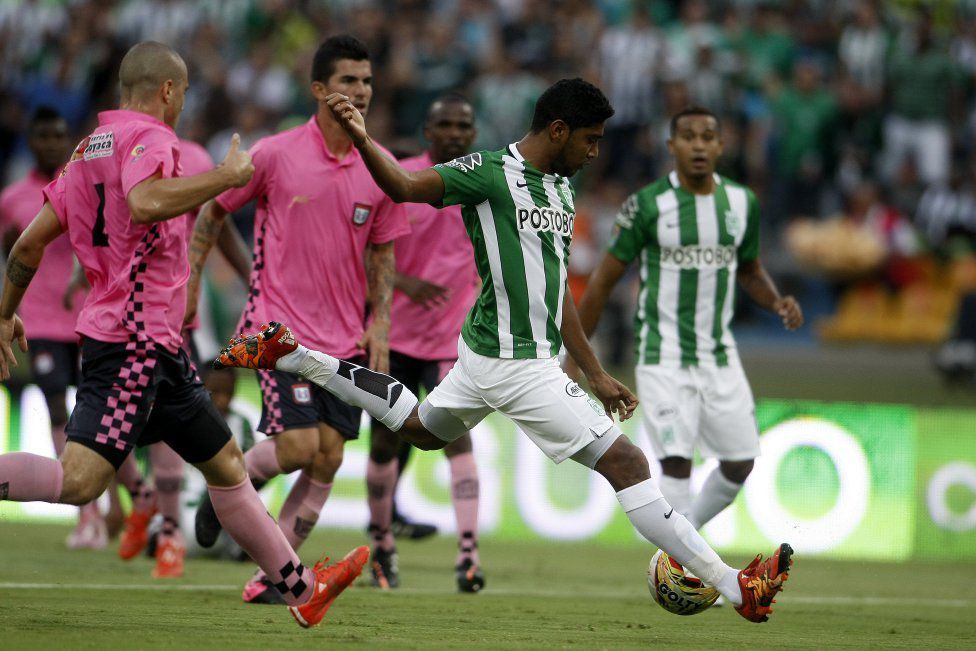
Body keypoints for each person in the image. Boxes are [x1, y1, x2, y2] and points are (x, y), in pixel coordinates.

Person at [217, 79, 794, 623]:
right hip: (516, 365)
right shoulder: (490, 172)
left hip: (484, 358)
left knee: (420, 427)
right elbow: (403, 188)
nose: (596, 153)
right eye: (590, 140)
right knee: (629, 465)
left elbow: (555, 286)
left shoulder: (564, 190)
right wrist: (364, 138)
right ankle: (736, 588)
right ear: (560, 130)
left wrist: (593, 371)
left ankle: (296, 356)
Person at [0, 41, 366, 629]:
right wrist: (223, 176)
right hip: (134, 342)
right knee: (81, 480)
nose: (184, 101)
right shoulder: (155, 140)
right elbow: (145, 204)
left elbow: (27, 245)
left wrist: (2, 311)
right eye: (185, 91)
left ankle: (301, 591)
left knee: (226, 466)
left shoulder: (86, 150)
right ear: (168, 90)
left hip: (155, 346)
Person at [186, 35, 409, 606]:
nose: (359, 91)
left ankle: (271, 580)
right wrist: (190, 285)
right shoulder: (275, 154)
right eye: (346, 81)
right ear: (318, 89)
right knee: (298, 448)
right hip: (275, 330)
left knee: (330, 456)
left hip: (343, 338)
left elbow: (383, 252)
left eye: (365, 81)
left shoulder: (376, 166)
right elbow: (214, 211)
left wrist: (380, 322)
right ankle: (223, 493)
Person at [574, 107, 803, 559]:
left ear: (721, 146)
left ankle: (673, 551)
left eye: (708, 136)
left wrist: (776, 300)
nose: (699, 144)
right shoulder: (647, 204)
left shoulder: (742, 204)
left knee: (739, 464)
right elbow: (602, 282)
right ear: (671, 147)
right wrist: (579, 361)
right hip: (662, 354)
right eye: (689, 136)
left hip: (719, 355)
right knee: (677, 461)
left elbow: (752, 270)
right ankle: (695, 568)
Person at [366, 94, 483, 591]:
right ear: (427, 132)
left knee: (457, 437)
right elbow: (368, 246)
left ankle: (469, 556)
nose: (455, 132)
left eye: (463, 125)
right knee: (386, 439)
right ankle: (382, 547)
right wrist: (404, 283)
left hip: (450, 341)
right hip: (394, 336)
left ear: (472, 135)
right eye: (445, 124)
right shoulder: (398, 178)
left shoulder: (481, 183)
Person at [0, 106, 99, 548]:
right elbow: (12, 253)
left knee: (95, 410)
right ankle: (87, 515)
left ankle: (128, 498)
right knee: (59, 408)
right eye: (43, 136)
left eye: (59, 135)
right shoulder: (12, 200)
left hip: (86, 317)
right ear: (32, 141)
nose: (52, 143)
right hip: (38, 320)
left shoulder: (83, 188)